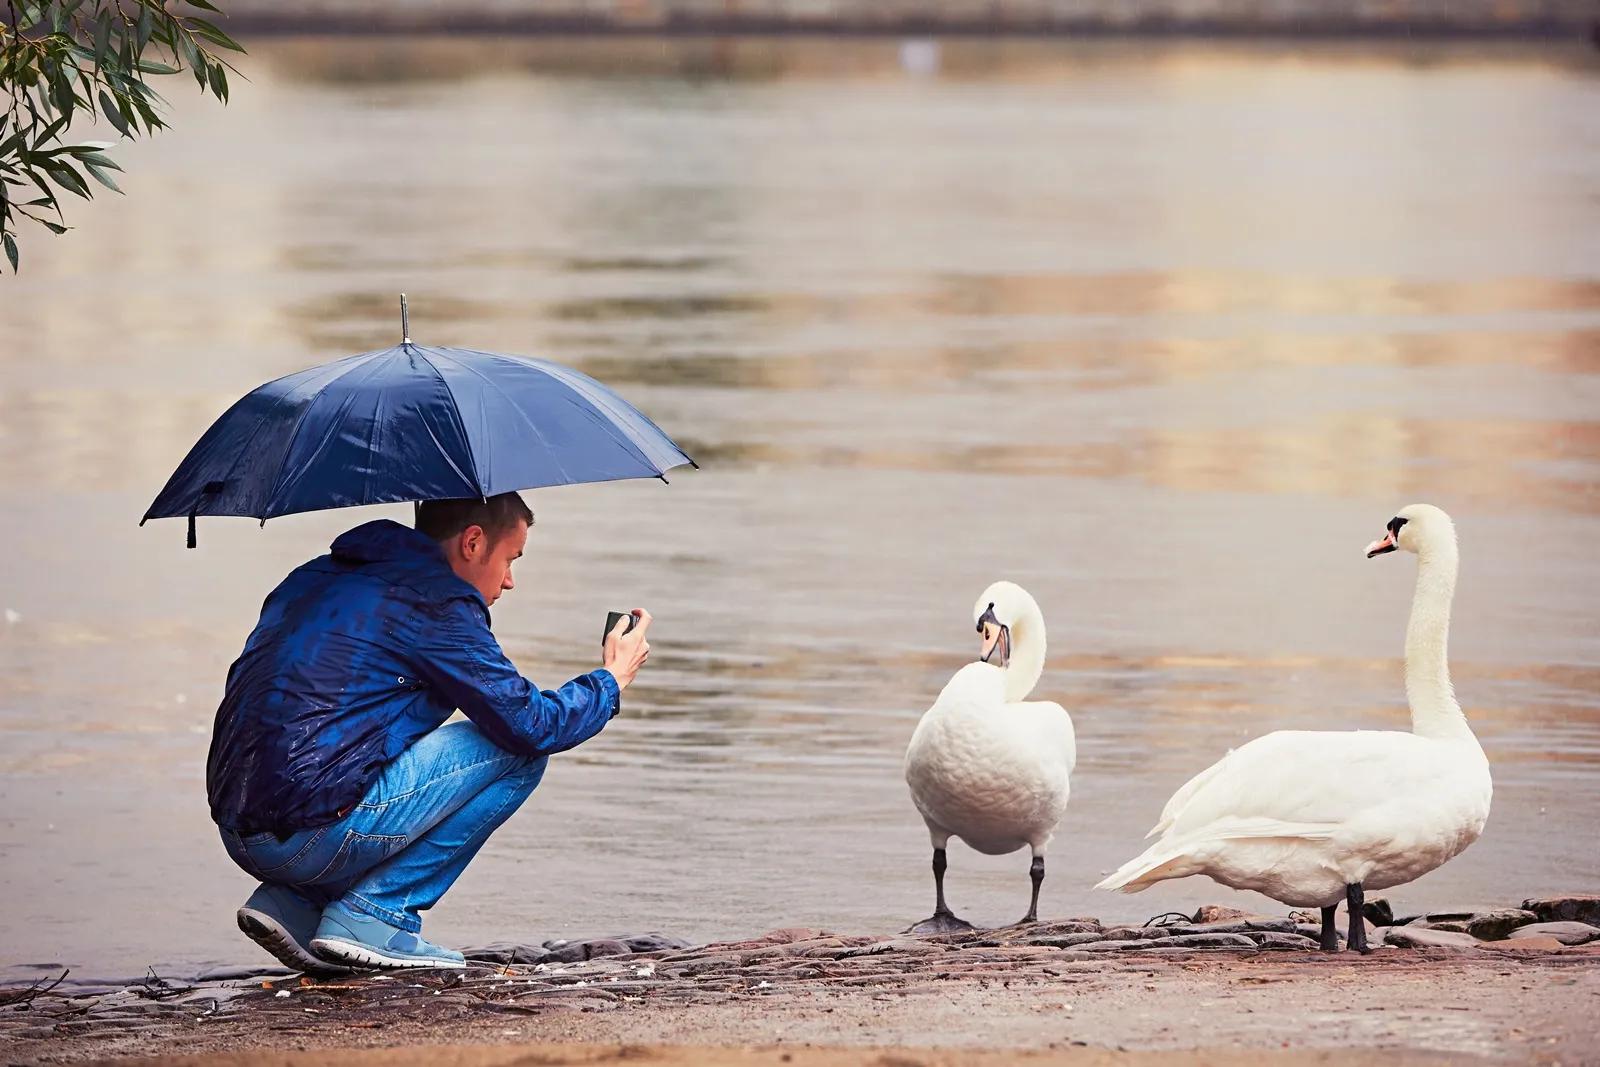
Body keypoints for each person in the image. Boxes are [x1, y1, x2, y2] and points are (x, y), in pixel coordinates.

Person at [207, 492, 650, 972]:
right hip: (308, 838)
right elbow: (532, 724)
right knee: (519, 753)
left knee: (369, 740)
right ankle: (376, 916)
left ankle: (295, 904)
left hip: (239, 829)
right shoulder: (435, 602)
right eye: (510, 559)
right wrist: (610, 680)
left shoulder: (313, 576)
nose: (509, 581)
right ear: (473, 542)